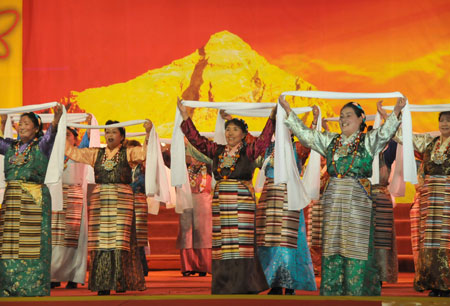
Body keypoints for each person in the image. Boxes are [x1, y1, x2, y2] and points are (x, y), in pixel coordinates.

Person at [279, 96, 405, 296]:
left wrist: (397, 110)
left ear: (360, 119)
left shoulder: (368, 141)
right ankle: (333, 293)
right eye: (341, 116)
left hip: (358, 202)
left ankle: (358, 293)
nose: (343, 119)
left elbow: (385, 133)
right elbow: (306, 136)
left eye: (348, 116)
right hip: (333, 200)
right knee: (333, 247)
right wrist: (288, 111)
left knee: (356, 247)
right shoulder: (331, 141)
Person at [177, 97, 275, 294]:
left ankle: (244, 284)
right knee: (223, 243)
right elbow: (198, 141)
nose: (230, 133)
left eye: (235, 130)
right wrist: (185, 115)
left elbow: (264, 139)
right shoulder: (217, 151)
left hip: (242, 201)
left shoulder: (250, 150)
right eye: (228, 129)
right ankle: (225, 285)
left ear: (244, 134)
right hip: (221, 201)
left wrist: (272, 118)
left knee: (241, 243)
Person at [64, 119, 152, 295]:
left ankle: (119, 282)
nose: (110, 135)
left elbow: (146, 153)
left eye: (114, 132)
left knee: (119, 242)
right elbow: (71, 152)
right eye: (107, 132)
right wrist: (61, 131)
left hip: (123, 199)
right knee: (101, 243)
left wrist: (149, 133)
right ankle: (103, 284)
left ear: (122, 136)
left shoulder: (129, 153)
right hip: (100, 200)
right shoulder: (96, 154)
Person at [0, 106, 63, 296]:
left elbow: (50, 135)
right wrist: (2, 122)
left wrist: (56, 120)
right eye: (20, 123)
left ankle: (32, 287)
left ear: (36, 129)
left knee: (32, 245)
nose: (22, 127)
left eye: (27, 123)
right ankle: (9, 286)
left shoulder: (41, 146)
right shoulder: (11, 146)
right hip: (12, 202)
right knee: (10, 245)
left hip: (33, 200)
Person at [255, 112, 318, 295]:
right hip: (269, 199)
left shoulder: (297, 148)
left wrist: (314, 123)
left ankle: (289, 283)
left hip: (290, 197)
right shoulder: (268, 148)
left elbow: (311, 142)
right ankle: (274, 283)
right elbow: (255, 151)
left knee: (290, 241)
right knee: (270, 241)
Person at [396, 111, 450, 297]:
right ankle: (434, 283)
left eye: (449, 121)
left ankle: (447, 284)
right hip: (430, 199)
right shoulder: (429, 143)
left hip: (448, 199)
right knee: (430, 243)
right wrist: (394, 115)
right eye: (442, 120)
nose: (444, 124)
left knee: (446, 242)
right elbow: (403, 136)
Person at [50, 126, 90, 289]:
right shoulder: (53, 154)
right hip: (56, 198)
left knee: (74, 240)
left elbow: (89, 138)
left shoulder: (79, 152)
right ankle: (54, 275)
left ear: (75, 138)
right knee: (55, 240)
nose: (65, 137)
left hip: (74, 198)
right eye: (62, 134)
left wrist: (88, 125)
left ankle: (73, 276)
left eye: (68, 134)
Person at [371, 102, 399, 285]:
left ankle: (380, 276)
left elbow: (396, 138)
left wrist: (386, 114)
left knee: (381, 239)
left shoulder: (387, 155)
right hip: (363, 199)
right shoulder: (364, 153)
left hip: (381, 198)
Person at [127, 139, 150, 278]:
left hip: (139, 200)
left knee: (139, 235)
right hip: (125, 201)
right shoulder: (124, 166)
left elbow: (146, 184)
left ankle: (142, 266)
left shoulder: (143, 168)